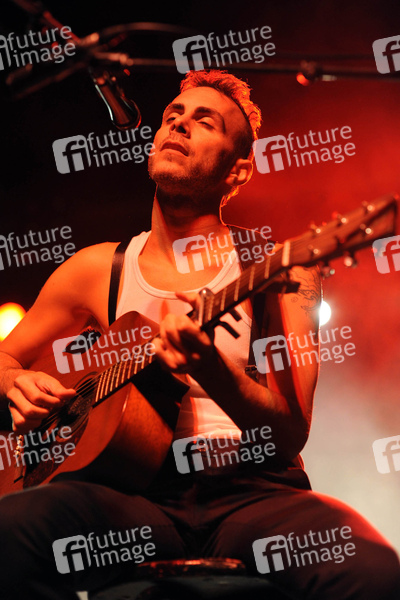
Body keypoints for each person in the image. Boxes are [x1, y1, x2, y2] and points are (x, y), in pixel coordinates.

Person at [0, 69, 398, 600]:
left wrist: (211, 366)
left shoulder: (286, 270)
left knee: (371, 571)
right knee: (10, 530)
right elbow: (5, 357)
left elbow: (288, 434)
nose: (179, 125)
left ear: (239, 169)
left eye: (205, 122)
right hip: (132, 497)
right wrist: (13, 381)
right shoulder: (98, 270)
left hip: (253, 495)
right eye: (173, 116)